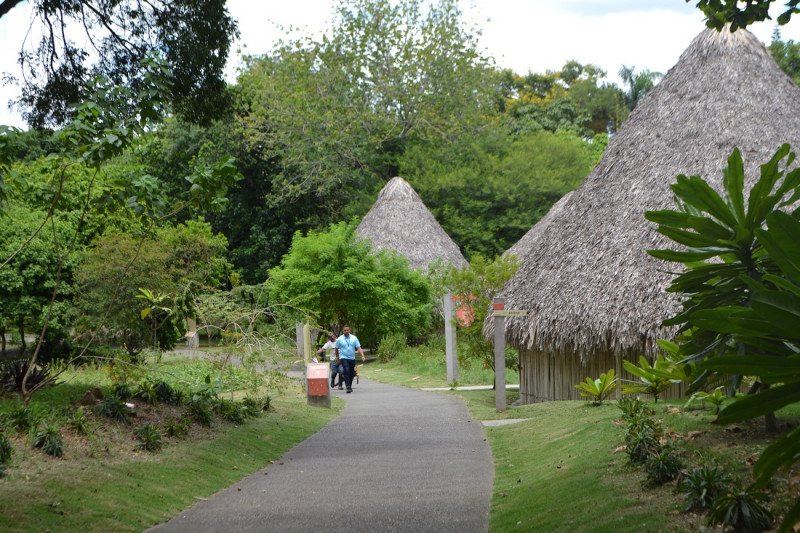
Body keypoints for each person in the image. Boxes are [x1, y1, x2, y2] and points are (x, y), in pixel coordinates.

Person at [334, 325, 365, 393]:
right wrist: (338, 358)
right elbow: (336, 349)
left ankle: (349, 385)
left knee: (351, 373)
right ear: (343, 331)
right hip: (343, 358)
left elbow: (358, 347)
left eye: (347, 330)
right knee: (346, 370)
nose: (346, 331)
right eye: (345, 330)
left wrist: (362, 355)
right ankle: (348, 387)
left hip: (352, 358)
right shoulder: (340, 339)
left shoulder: (354, 338)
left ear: (349, 330)